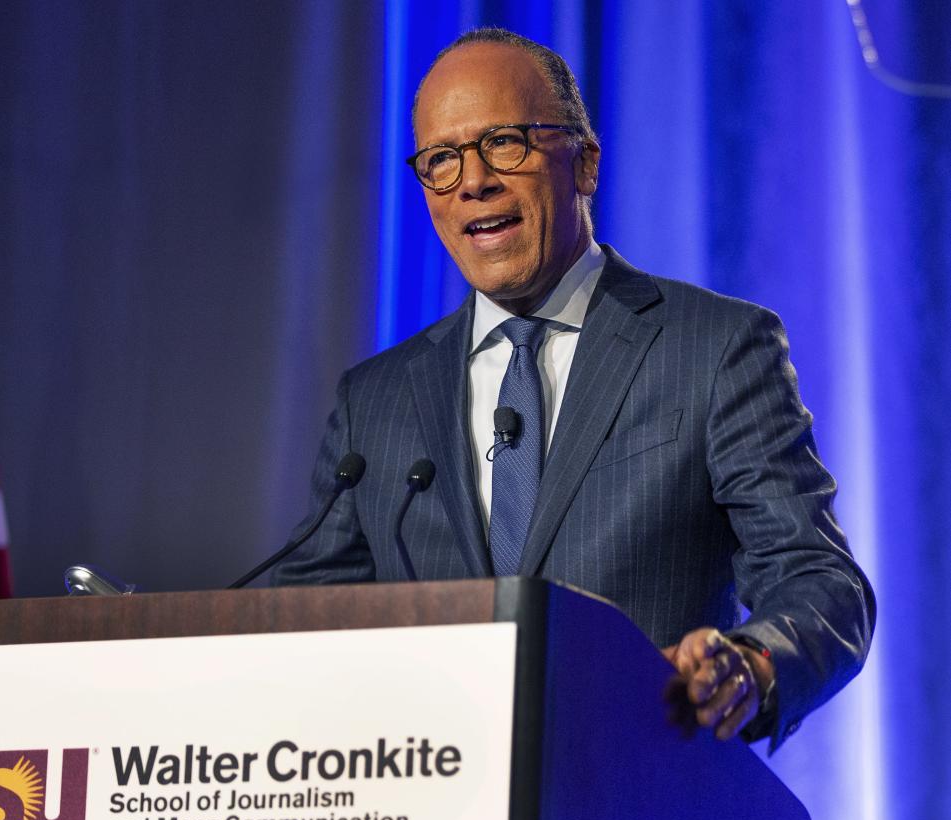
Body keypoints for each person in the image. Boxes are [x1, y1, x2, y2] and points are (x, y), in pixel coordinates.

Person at [272, 27, 874, 751]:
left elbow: (818, 580)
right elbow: (299, 618)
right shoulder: (375, 399)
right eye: (440, 159)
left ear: (584, 162)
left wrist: (747, 664)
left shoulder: (712, 348)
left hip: (635, 797)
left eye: (504, 142)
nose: (472, 180)